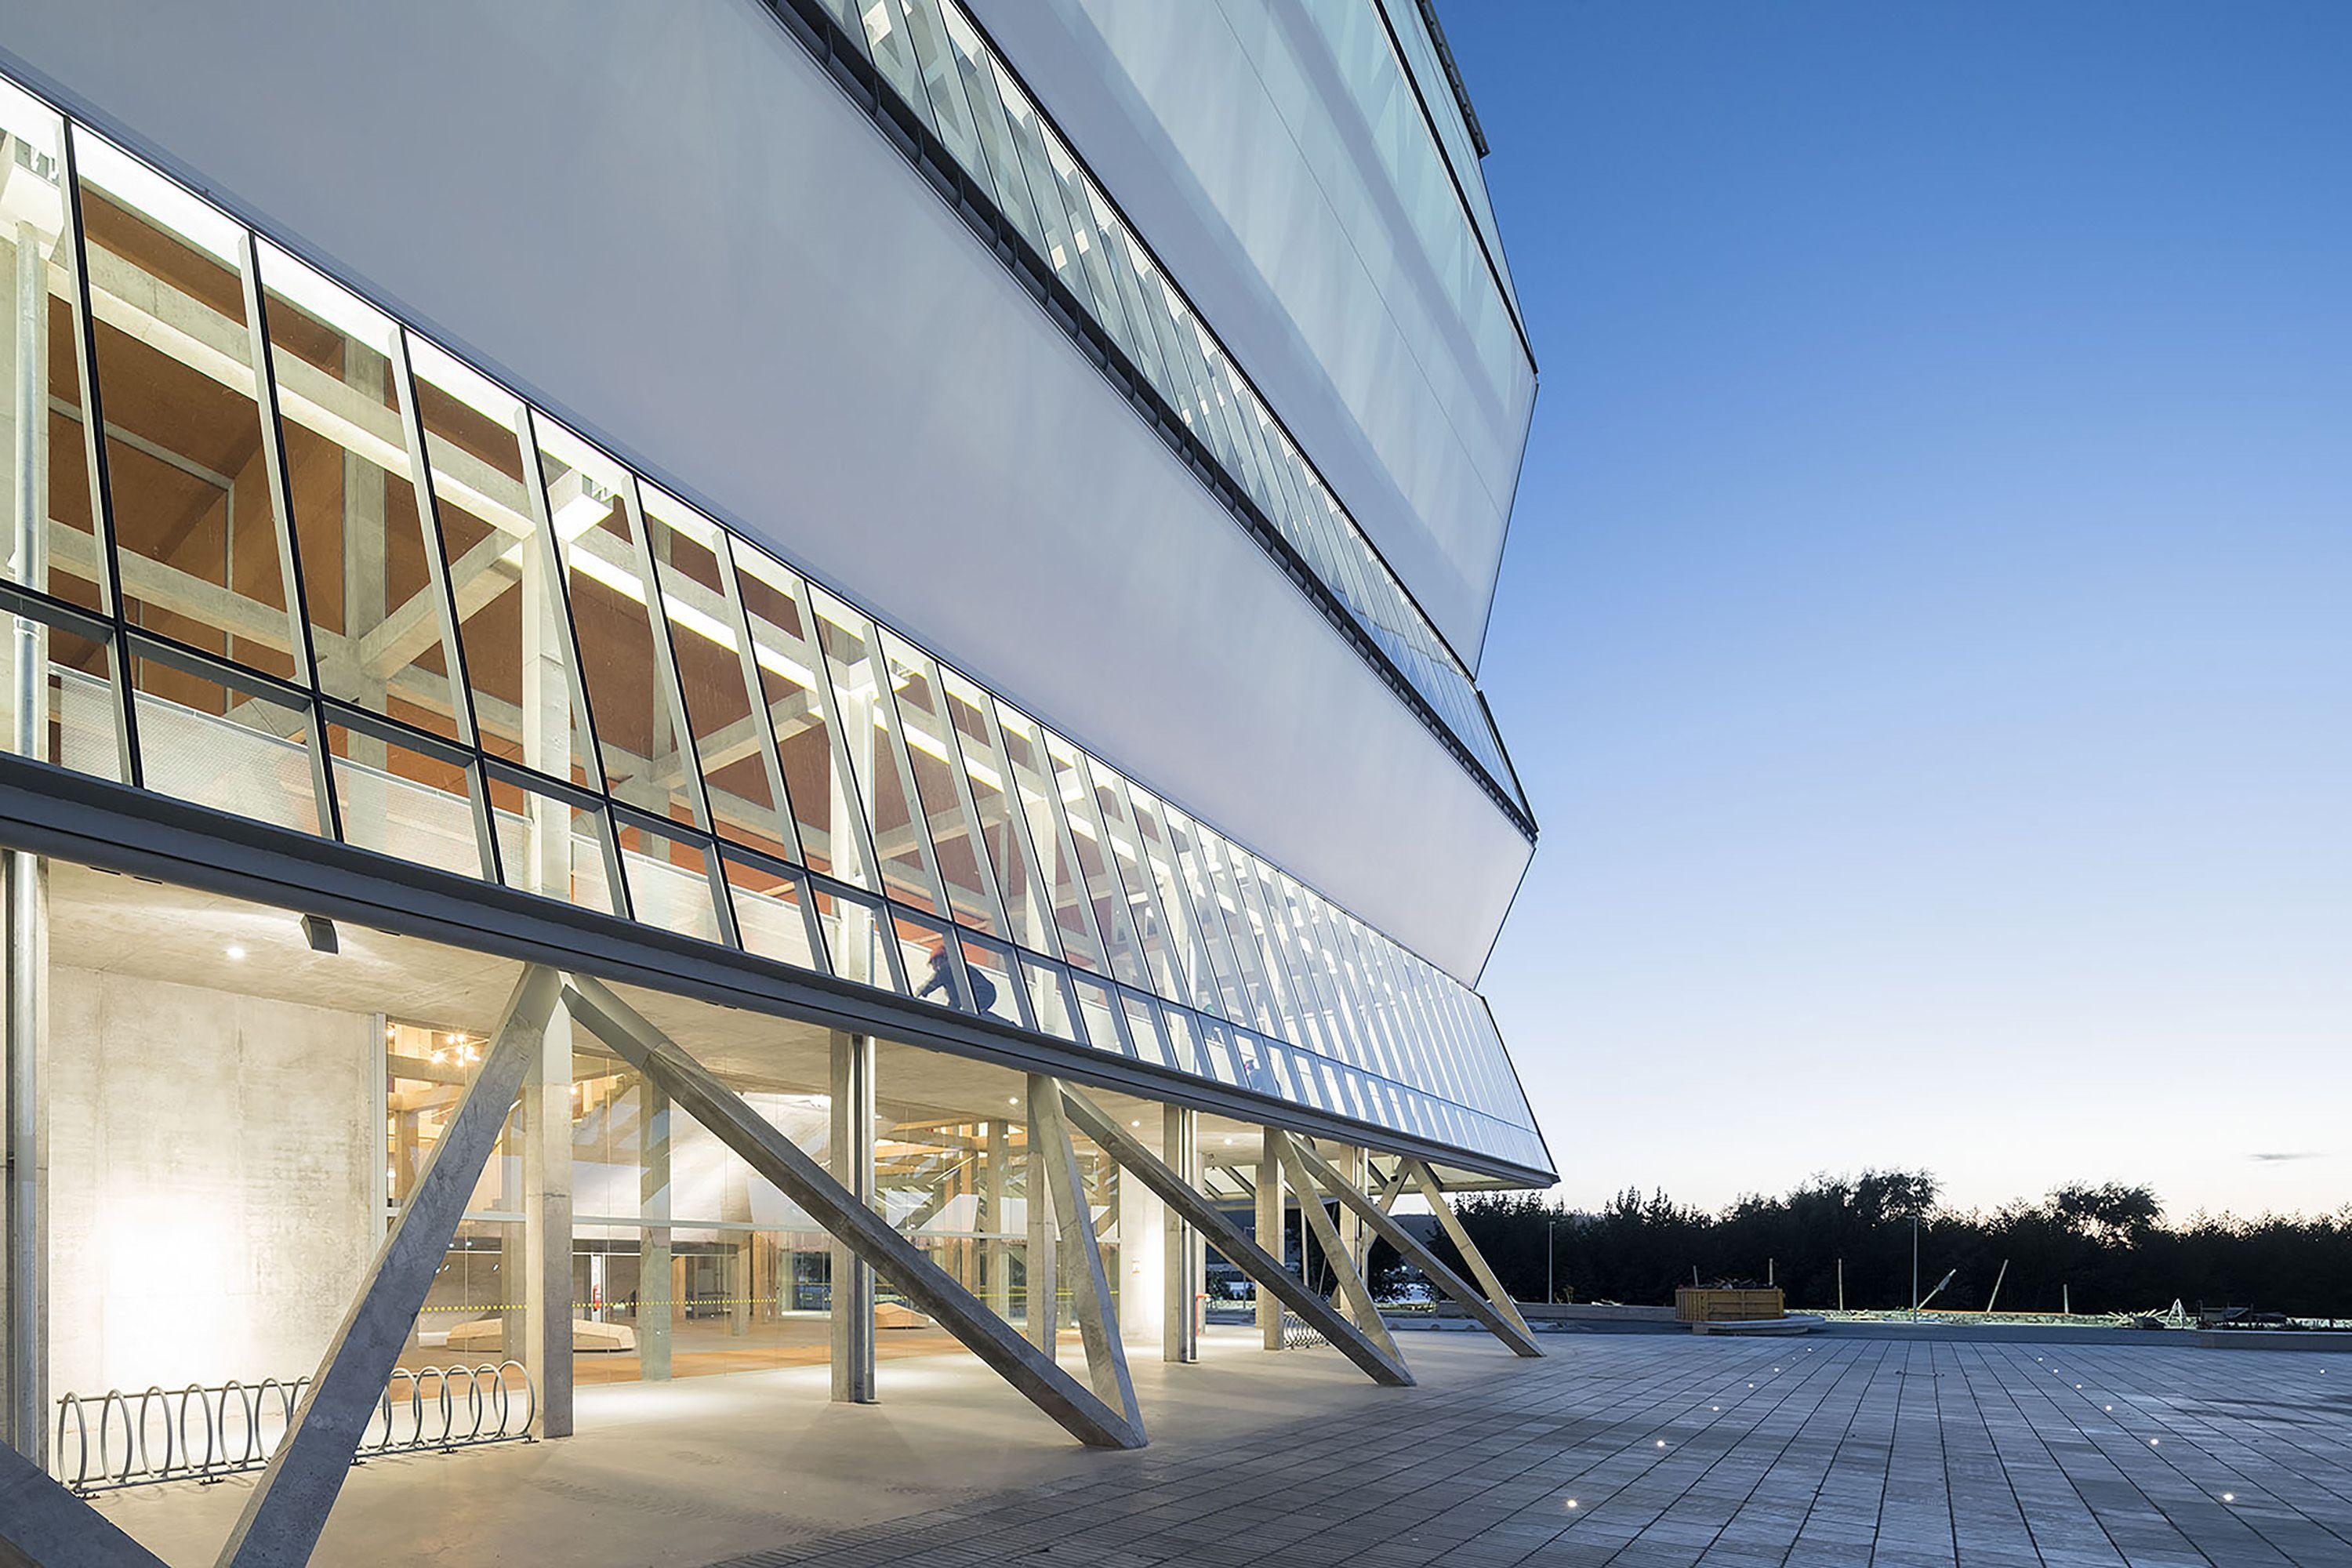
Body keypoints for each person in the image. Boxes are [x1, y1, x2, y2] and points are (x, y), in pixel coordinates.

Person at [916, 941, 995, 1014]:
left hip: (979, 992)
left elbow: (934, 982)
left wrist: (920, 993)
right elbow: (955, 998)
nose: (934, 967)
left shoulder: (947, 967)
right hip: (987, 993)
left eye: (933, 963)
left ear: (940, 959)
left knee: (973, 1012)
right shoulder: (955, 971)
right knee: (975, 1012)